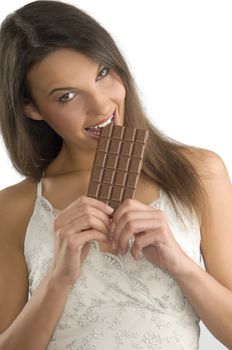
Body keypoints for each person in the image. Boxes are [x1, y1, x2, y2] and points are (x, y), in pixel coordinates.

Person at [0, 1, 231, 349]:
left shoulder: (198, 173)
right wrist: (59, 279)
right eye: (67, 96)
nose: (102, 106)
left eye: (103, 73)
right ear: (31, 108)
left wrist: (180, 264)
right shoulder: (14, 208)